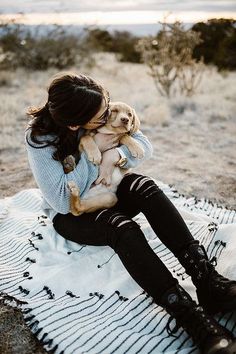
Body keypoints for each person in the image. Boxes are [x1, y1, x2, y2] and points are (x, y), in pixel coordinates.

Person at [25, 72, 236, 354]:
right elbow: (63, 200)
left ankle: (207, 282)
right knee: (120, 226)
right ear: (76, 123)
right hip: (73, 215)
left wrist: (116, 156)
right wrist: (96, 154)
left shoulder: (103, 112)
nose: (109, 115)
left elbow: (144, 146)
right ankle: (189, 315)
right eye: (103, 116)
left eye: (108, 106)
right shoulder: (40, 139)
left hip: (107, 193)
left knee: (144, 185)